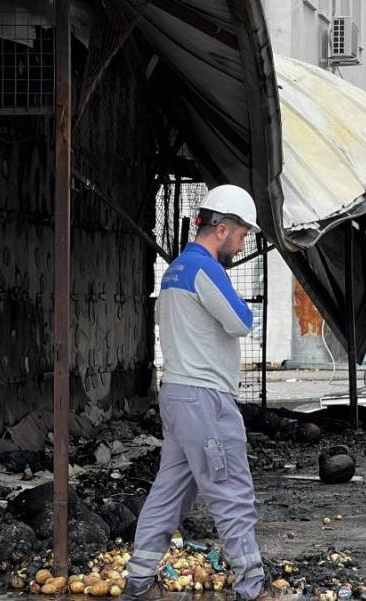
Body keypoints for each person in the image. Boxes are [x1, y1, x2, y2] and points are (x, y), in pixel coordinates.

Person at [123, 185, 288, 601]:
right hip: (206, 400)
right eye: (242, 234)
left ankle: (138, 583)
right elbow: (241, 320)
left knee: (169, 493)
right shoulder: (204, 268)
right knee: (231, 491)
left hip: (178, 395)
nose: (242, 243)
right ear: (222, 229)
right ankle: (252, 588)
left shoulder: (174, 270)